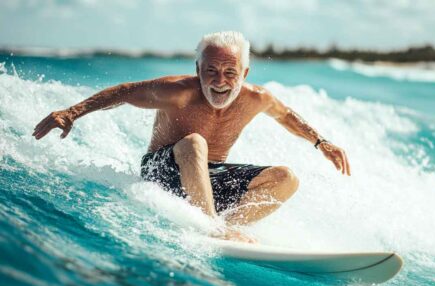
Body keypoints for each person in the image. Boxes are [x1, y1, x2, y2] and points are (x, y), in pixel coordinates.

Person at [31, 31, 350, 243]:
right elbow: (125, 92)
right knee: (196, 142)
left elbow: (286, 116)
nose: (220, 81)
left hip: (208, 179)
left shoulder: (257, 98)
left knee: (286, 178)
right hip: (162, 172)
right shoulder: (177, 92)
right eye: (211, 70)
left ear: (245, 74)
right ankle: (212, 228)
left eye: (230, 72)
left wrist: (321, 142)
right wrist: (72, 112)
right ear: (198, 69)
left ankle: (228, 230)